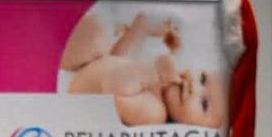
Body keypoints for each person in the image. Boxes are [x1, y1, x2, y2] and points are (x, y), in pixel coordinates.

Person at [59, 8, 227, 128]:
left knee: (96, 36)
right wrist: (141, 30)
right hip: (86, 67)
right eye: (203, 79)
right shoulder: (160, 89)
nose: (194, 87)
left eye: (204, 104)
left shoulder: (155, 114)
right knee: (97, 31)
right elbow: (117, 61)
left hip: (72, 90)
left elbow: (112, 86)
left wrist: (156, 71)